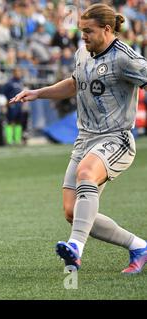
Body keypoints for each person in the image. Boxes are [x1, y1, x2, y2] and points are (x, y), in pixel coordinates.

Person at [10, 4, 147, 274]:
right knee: (73, 213)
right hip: (85, 139)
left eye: (88, 31)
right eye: (80, 30)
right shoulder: (82, 52)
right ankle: (139, 246)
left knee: (86, 173)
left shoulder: (125, 58)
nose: (82, 36)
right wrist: (39, 92)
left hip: (116, 138)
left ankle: (75, 248)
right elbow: (75, 83)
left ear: (107, 30)